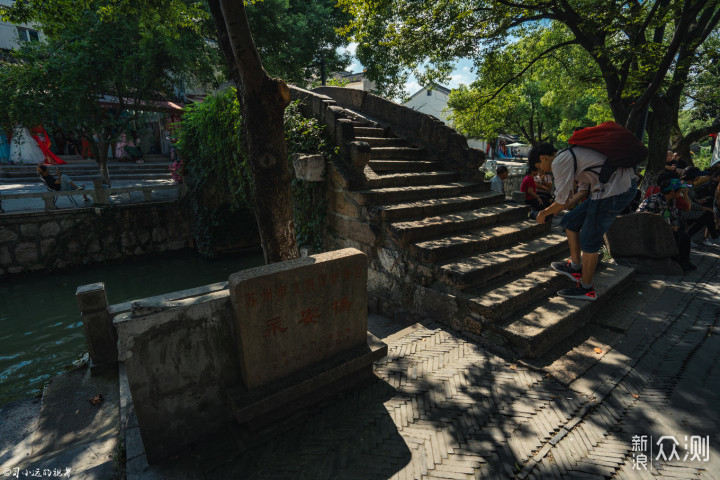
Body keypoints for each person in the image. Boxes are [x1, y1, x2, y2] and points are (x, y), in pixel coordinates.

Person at [534, 142, 637, 301]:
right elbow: (580, 192)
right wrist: (557, 209)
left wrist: (544, 213)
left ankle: (586, 288)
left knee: (589, 239)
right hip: (608, 190)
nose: (542, 170)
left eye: (539, 166)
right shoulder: (571, 157)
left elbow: (562, 201)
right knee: (570, 221)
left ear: (542, 158)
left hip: (613, 192)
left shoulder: (559, 162)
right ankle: (575, 266)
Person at [637, 178, 695, 272]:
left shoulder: (672, 201)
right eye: (680, 190)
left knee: (685, 237)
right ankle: (675, 261)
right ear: (672, 191)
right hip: (649, 230)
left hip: (664, 228)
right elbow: (645, 219)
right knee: (676, 236)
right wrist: (664, 227)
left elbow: (675, 217)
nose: (681, 192)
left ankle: (685, 261)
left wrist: (675, 226)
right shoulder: (654, 200)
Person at [680, 167, 719, 247]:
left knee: (708, 213)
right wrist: (704, 208)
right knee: (707, 214)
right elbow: (687, 202)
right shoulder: (683, 185)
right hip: (684, 210)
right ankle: (688, 237)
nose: (699, 178)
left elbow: (691, 199)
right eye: (697, 176)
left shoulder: (690, 184)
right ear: (692, 176)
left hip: (689, 208)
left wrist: (698, 201)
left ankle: (712, 235)